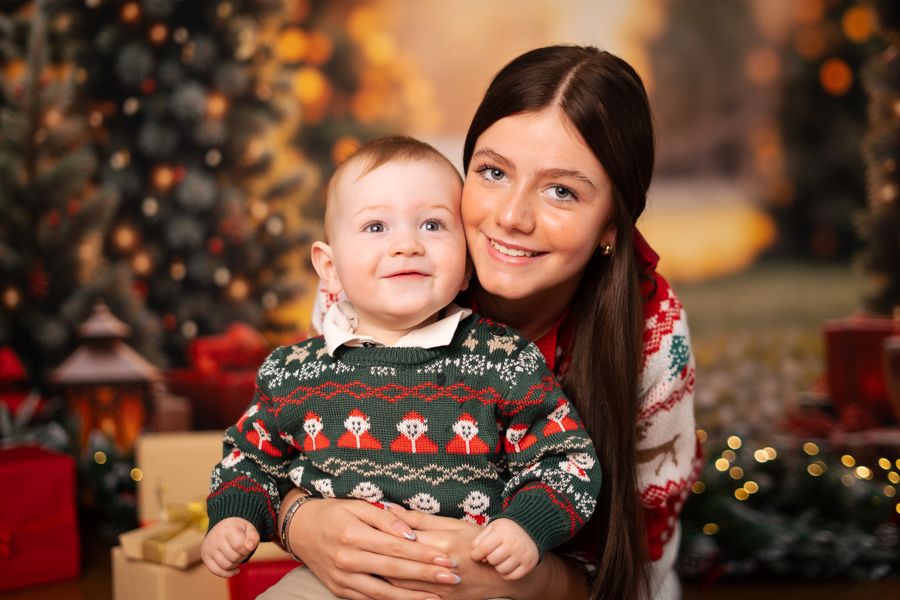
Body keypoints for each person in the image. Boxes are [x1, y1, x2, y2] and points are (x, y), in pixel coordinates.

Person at [268, 45, 700, 600]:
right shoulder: (393, 278)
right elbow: (291, 438)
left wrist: (520, 579)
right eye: (493, 172)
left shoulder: (652, 333)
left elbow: (640, 553)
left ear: (612, 223)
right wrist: (301, 521)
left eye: (562, 190)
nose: (512, 218)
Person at [201, 135, 602, 587]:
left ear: (467, 264)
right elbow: (251, 457)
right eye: (376, 227)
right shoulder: (294, 371)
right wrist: (235, 517)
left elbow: (566, 459)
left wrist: (525, 525)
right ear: (329, 268)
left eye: (432, 225)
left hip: (467, 579)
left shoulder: (502, 360)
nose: (407, 245)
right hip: (336, 582)